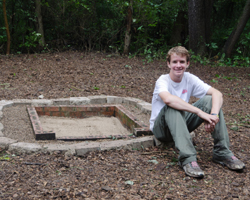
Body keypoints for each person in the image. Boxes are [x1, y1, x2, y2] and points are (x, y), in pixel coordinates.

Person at [149, 46, 245, 178]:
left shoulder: (189, 78)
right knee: (173, 105)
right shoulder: (163, 80)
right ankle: (188, 159)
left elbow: (217, 93)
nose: (178, 65)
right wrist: (199, 113)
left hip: (181, 124)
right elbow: (168, 100)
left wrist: (213, 115)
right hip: (162, 130)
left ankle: (222, 152)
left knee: (209, 99)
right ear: (168, 64)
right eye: (174, 62)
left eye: (182, 62)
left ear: (187, 64)